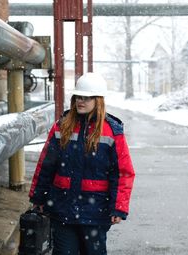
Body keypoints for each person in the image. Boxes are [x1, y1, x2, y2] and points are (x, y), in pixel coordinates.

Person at [29, 72, 135, 255]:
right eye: (78, 96)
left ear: (98, 100)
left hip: (96, 212)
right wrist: (38, 197)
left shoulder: (112, 131)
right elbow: (46, 165)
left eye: (86, 98)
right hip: (62, 208)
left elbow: (123, 172)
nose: (81, 101)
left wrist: (118, 207)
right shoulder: (61, 127)